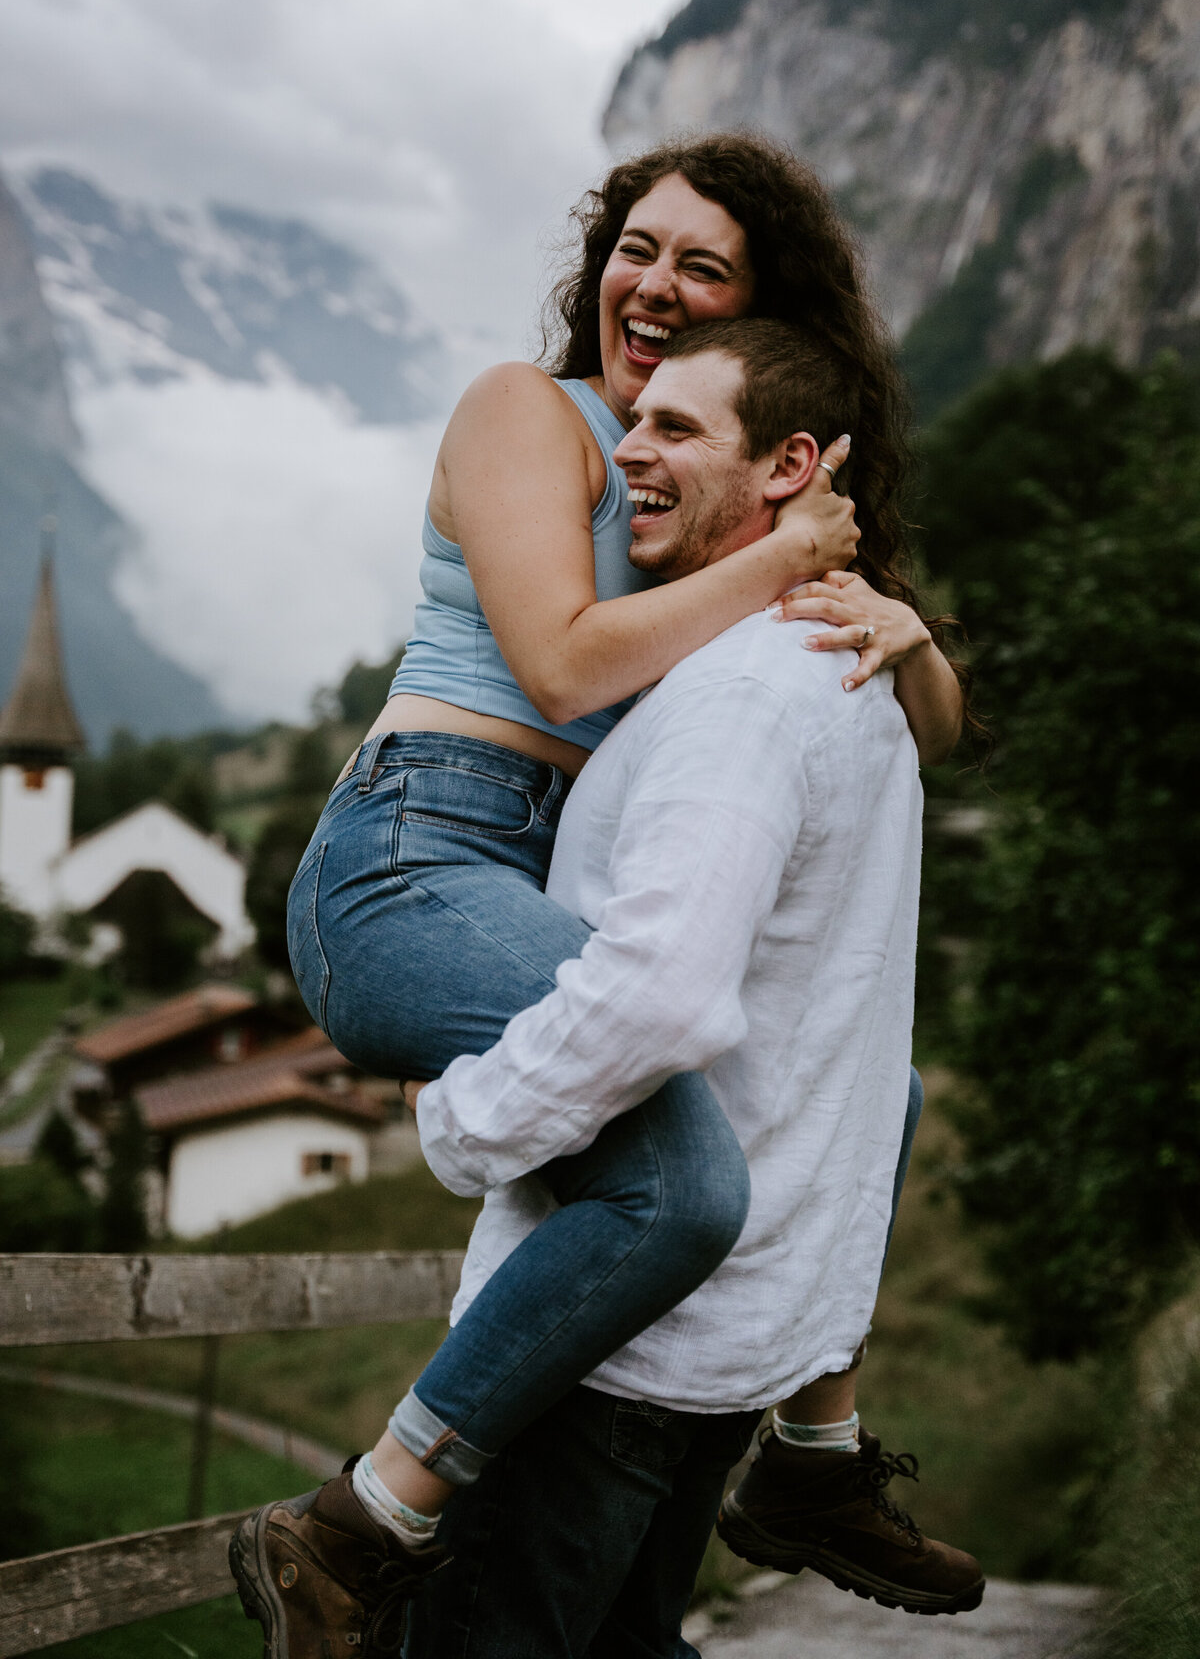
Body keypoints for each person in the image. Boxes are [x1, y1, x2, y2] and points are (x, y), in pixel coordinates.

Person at [229, 138, 970, 1655]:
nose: (656, 283)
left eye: (704, 266)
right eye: (638, 246)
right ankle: (362, 1525)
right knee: (684, 1181)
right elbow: (565, 667)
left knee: (872, 1088)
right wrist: (783, 562)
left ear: (755, 317)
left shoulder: (711, 482)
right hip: (418, 856)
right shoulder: (536, 415)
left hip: (547, 871)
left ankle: (814, 1452)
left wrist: (904, 630)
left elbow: (930, 733)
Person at [395, 317, 982, 1651]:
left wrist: (459, 1123)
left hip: (611, 1357)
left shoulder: (743, 698)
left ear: (789, 466)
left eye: (673, 427)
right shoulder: (850, 675)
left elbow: (658, 995)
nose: (626, 452)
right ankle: (815, 1466)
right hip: (726, 1342)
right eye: (633, 420)